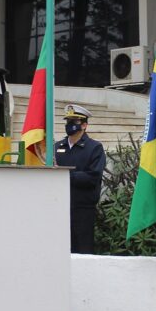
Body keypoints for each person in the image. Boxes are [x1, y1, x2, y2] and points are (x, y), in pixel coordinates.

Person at [54, 104, 106, 254]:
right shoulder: (58, 147)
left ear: (84, 125)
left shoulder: (94, 147)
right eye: (68, 121)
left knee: (83, 251)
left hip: (83, 209)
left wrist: (64, 175)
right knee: (60, 250)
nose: (70, 125)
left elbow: (93, 177)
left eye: (74, 121)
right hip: (60, 206)